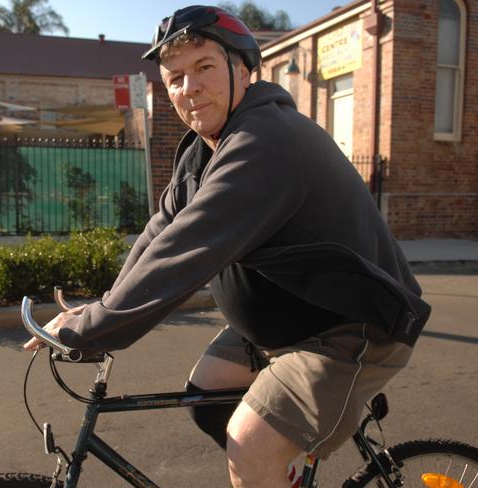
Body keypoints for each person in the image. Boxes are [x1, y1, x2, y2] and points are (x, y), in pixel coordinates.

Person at [24, 5, 431, 487]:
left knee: (250, 443)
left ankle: (268, 465)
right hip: (283, 328)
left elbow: (190, 247)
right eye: (174, 78)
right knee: (205, 398)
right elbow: (163, 232)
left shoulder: (266, 140)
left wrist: (95, 328)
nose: (188, 88)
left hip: (352, 329)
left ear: (243, 70)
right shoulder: (203, 150)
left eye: (204, 68)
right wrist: (105, 306)